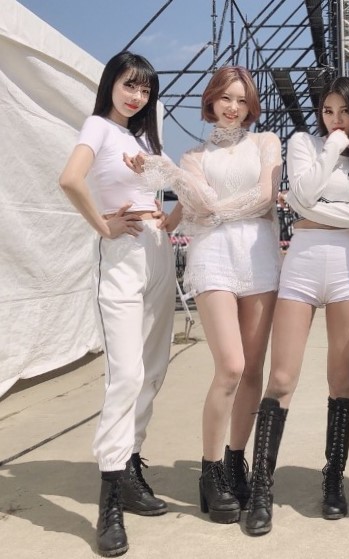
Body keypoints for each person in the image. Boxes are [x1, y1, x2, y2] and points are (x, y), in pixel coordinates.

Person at [128, 66, 282, 525]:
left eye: (241, 99)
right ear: (211, 100)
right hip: (213, 256)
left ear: (250, 105)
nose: (233, 107)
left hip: (259, 257)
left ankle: (236, 462)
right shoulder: (193, 156)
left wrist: (211, 209)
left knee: (253, 369)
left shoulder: (266, 142)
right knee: (230, 366)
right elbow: (194, 203)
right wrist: (190, 204)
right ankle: (211, 471)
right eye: (225, 98)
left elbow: (264, 197)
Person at [243, 77, 349, 536]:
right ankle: (261, 488)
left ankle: (333, 481)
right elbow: (303, 191)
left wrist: (307, 207)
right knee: (281, 378)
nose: (335, 119)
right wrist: (331, 148)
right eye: (328, 111)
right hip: (303, 264)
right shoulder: (304, 143)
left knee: (341, 377)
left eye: (344, 112)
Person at [59, 51, 175, 557]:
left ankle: (129, 467)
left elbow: (162, 191)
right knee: (125, 374)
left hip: (158, 248)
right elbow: (70, 178)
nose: (137, 96)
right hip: (123, 251)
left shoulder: (144, 139)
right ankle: (109, 495)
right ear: (111, 83)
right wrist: (103, 225)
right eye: (130, 85)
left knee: (153, 368)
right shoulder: (99, 127)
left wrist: (169, 216)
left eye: (145, 90)